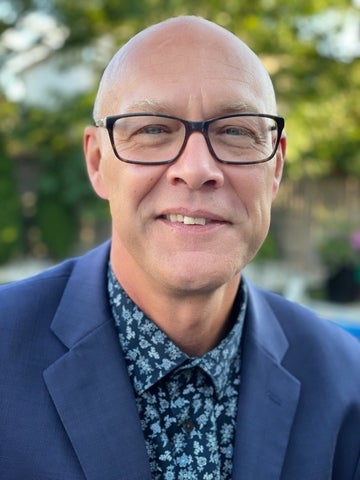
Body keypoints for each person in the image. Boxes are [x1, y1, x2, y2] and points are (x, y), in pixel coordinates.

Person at [1, 15, 359, 480]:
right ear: (96, 162)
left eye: (235, 131)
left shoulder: (347, 384)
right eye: (152, 130)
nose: (195, 169)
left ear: (275, 167)